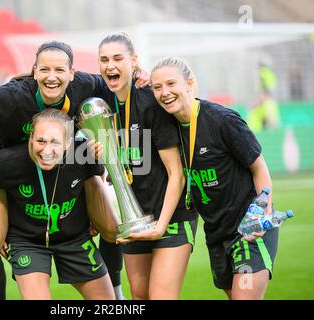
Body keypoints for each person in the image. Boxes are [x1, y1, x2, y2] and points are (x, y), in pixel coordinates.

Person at [0, 40, 146, 299]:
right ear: (34, 71)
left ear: (72, 74)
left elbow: (120, 82)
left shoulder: (85, 87)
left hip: (67, 164)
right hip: (13, 173)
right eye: (45, 70)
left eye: (60, 71)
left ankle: (117, 294)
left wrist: (140, 74)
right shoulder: (11, 97)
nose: (52, 77)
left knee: (111, 228)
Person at [150, 56, 278, 300]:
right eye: (157, 87)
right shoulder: (168, 128)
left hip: (247, 229)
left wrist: (262, 211)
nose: (164, 92)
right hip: (216, 234)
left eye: (171, 84)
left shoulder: (222, 120)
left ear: (189, 83)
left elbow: (260, 168)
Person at [95, 33, 198, 300]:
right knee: (139, 295)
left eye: (118, 58)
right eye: (104, 60)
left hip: (171, 217)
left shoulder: (150, 100)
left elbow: (177, 174)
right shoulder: (100, 98)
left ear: (134, 61)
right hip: (134, 218)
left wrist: (161, 225)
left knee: (161, 296)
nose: (110, 65)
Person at [0, 108, 115, 299]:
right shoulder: (7, 161)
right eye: (40, 141)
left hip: (74, 238)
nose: (47, 150)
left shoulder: (83, 153)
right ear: (31, 138)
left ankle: (119, 292)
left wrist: (93, 215)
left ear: (67, 143)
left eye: (55, 142)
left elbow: (97, 175)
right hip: (27, 242)